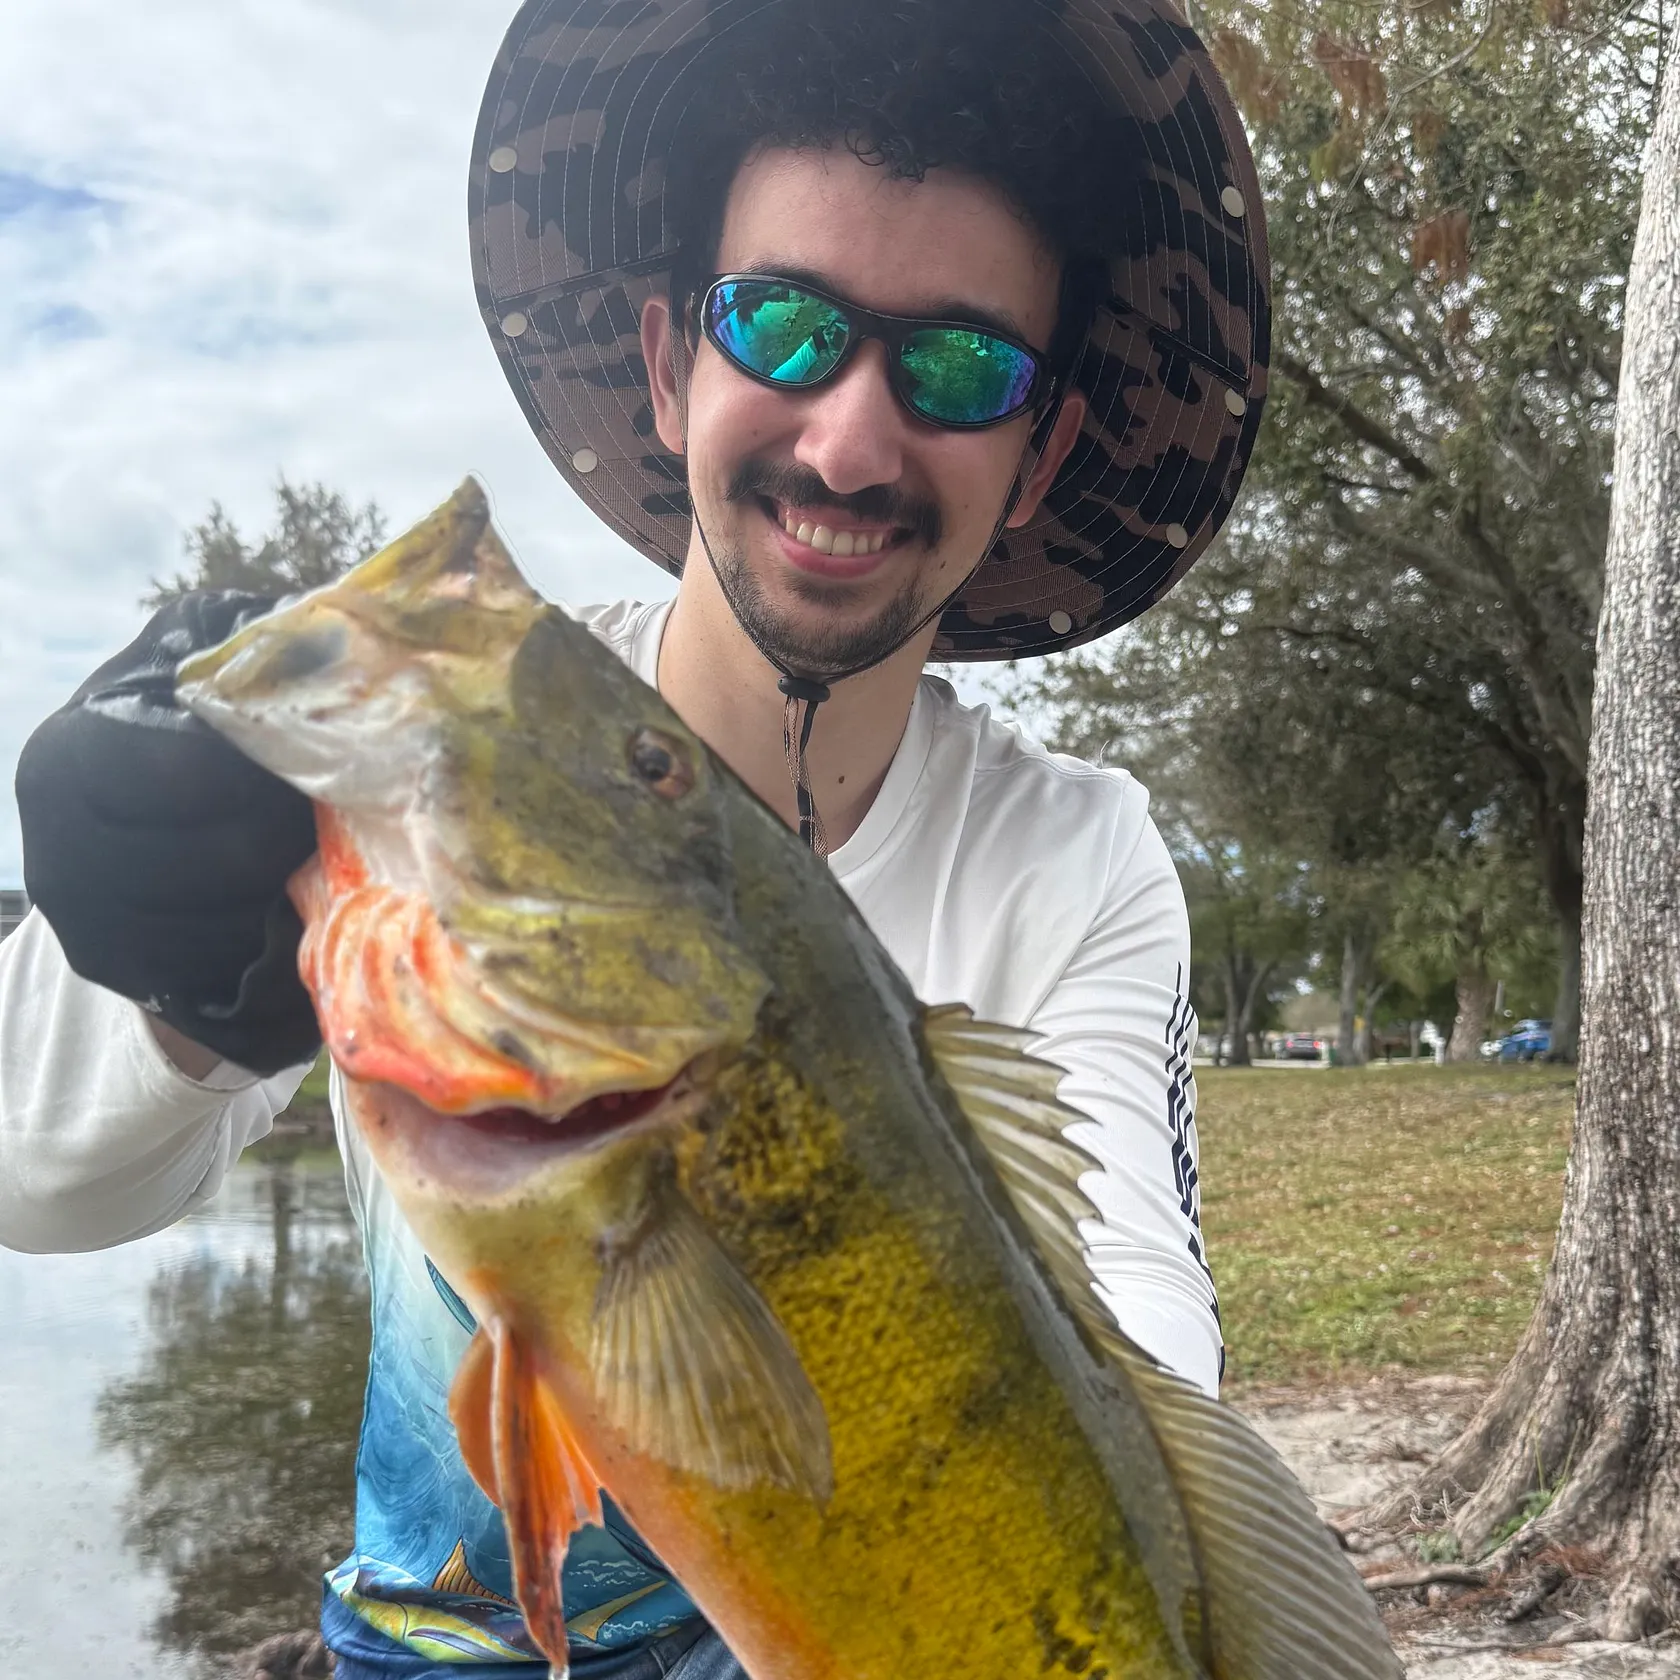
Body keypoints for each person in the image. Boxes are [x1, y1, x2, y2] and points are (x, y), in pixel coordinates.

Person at [0, 0, 1269, 1674]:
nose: (849, 439)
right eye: (785, 327)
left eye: (961, 367)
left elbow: (1137, 1320)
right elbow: (40, 1187)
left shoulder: (1077, 856)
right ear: (675, 366)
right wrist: (182, 982)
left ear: (1040, 457)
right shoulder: (490, 757)